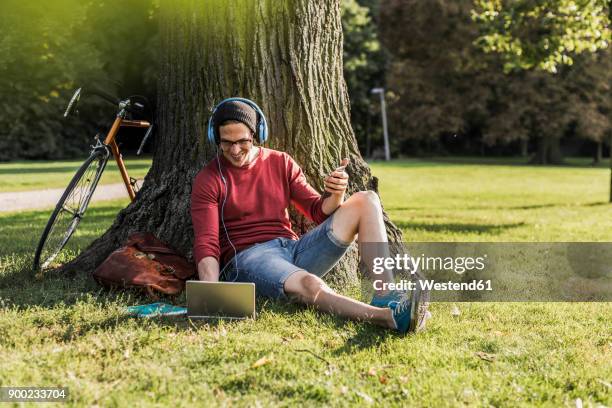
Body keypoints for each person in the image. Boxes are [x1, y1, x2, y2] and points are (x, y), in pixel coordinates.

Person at [191, 98, 429, 333]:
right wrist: (211, 292)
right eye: (226, 143)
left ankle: (387, 297)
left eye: (242, 141)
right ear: (216, 139)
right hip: (249, 258)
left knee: (367, 200)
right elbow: (207, 243)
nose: (234, 150)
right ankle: (386, 318)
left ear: (256, 134)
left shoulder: (280, 162)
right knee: (309, 284)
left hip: (292, 249)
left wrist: (336, 193)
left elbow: (317, 211)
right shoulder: (209, 179)